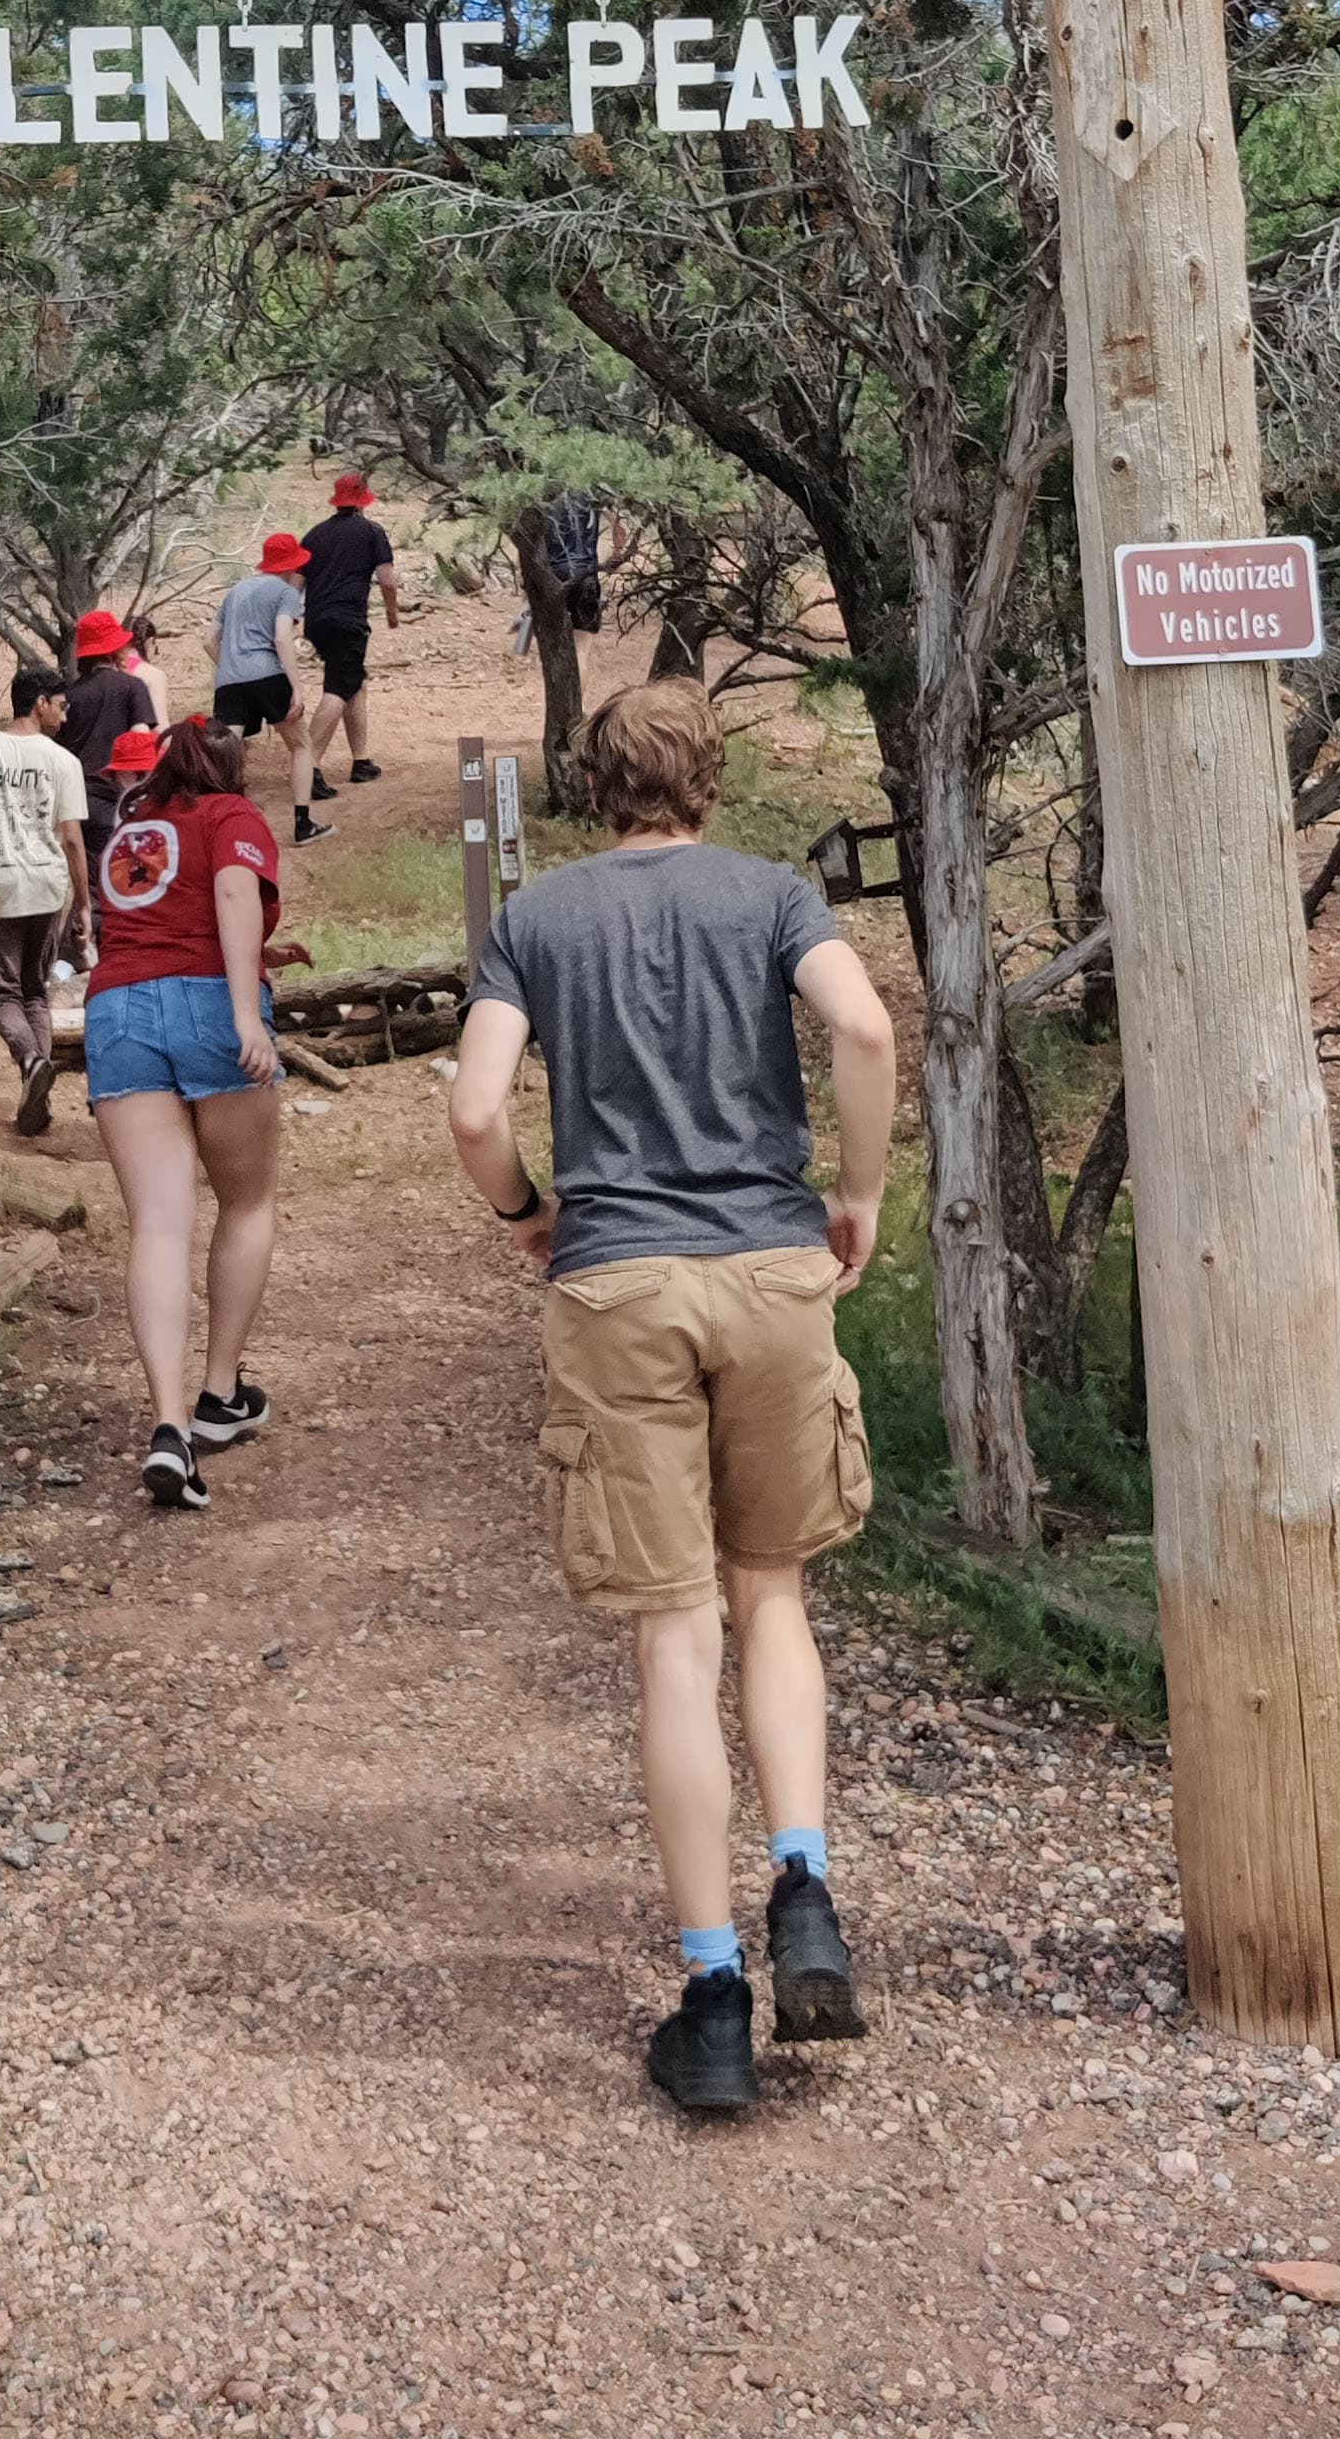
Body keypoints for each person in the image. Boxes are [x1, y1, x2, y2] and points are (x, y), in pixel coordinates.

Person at [444, 676, 898, 2116]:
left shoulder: (535, 924)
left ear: (591, 783)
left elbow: (471, 1108)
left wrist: (526, 1208)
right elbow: (867, 1033)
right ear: (709, 776)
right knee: (775, 1596)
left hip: (617, 1282)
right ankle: (807, 1892)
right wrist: (862, 1194)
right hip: (769, 1268)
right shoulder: (771, 897)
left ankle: (711, 1997)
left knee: (670, 1637)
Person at [83, 712, 289, 1513]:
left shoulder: (135, 825)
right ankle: (219, 1393)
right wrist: (245, 1009)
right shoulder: (233, 817)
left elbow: (155, 923)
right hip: (210, 1009)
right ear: (229, 769)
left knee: (159, 1226)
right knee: (246, 1202)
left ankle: (167, 1426)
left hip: (120, 1015)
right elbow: (233, 894)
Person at [0, 665, 90, 1135]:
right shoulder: (63, 762)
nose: (65, 717)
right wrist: (84, 901)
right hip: (47, 889)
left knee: (2, 994)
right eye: (61, 706)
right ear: (39, 702)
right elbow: (71, 840)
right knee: (35, 992)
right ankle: (37, 1082)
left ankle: (30, 1064)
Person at [208, 532, 329, 846]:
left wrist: (229, 666)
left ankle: (222, 825)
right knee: (301, 745)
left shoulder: (236, 590)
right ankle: (303, 823)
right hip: (267, 674)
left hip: (229, 680)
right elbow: (281, 638)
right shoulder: (284, 592)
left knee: (228, 754)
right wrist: (296, 687)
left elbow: (209, 640)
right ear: (291, 565)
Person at [53, 606, 159, 955]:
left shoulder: (68, 696)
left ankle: (80, 948)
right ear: (114, 650)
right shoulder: (132, 687)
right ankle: (77, 951)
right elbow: (143, 735)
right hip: (114, 791)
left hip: (72, 795)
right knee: (112, 878)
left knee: (83, 877)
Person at [299, 472, 402, 790]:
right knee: (338, 688)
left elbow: (295, 585)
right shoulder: (372, 532)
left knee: (353, 682)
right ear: (363, 501)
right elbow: (387, 580)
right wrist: (392, 613)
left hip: (317, 621)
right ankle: (309, 766)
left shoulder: (314, 535)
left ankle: (361, 760)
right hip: (349, 621)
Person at [121, 611, 173, 726]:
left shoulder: (106, 671)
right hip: (138, 741)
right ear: (150, 641)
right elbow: (160, 727)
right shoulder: (153, 676)